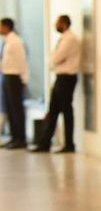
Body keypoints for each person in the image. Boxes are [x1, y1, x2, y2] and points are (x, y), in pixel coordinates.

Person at [32, 14, 81, 153]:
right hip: (60, 77)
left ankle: (69, 144)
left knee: (66, 110)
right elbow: (53, 58)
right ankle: (45, 142)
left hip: (67, 78)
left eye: (57, 23)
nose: (55, 25)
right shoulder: (64, 39)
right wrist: (53, 59)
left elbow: (56, 58)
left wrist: (53, 60)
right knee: (53, 110)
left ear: (64, 24)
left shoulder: (70, 39)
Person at [1, 18, 29, 149]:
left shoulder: (16, 42)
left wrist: (24, 80)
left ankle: (21, 138)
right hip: (7, 76)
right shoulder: (7, 42)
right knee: (10, 109)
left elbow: (22, 62)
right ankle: (14, 137)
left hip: (15, 78)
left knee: (17, 109)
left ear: (6, 27)